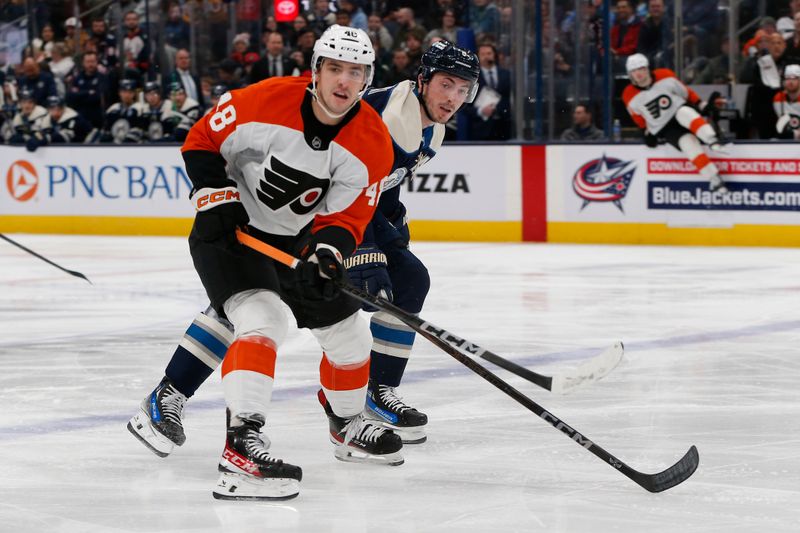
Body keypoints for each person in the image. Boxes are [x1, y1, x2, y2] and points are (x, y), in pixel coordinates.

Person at [125, 38, 479, 459]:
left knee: (368, 312)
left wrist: (361, 238)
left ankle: (367, 403)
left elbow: (366, 195)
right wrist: (217, 194)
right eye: (447, 85)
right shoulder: (368, 115)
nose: (454, 98)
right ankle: (182, 400)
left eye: (464, 90)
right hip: (264, 221)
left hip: (314, 225)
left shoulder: (420, 131)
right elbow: (207, 137)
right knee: (249, 309)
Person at [127, 25, 398, 501]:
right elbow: (200, 139)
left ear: (367, 79)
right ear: (316, 70)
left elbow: (346, 215)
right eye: (334, 68)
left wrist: (327, 254)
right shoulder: (262, 100)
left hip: (292, 243)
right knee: (261, 318)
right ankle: (241, 449)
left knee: (350, 333)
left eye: (355, 72)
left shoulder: (371, 141)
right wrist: (217, 198)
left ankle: (347, 424)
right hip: (229, 231)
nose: (343, 81)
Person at [622, 53, 730, 193]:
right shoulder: (628, 94)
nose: (638, 74)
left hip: (678, 109)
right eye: (634, 71)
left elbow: (685, 92)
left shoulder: (665, 75)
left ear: (647, 68)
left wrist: (700, 103)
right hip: (664, 127)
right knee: (688, 145)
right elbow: (637, 116)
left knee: (685, 113)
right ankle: (714, 179)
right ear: (629, 74)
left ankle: (712, 140)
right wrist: (645, 130)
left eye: (641, 69)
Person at [25, 95, 92, 151]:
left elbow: (66, 137)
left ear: (63, 108)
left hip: (86, 148)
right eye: (52, 108)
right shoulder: (45, 119)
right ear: (48, 109)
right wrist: (35, 137)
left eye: (58, 108)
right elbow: (38, 131)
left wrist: (46, 138)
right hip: (66, 151)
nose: (55, 110)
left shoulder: (73, 118)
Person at [774, 64, 800, 139]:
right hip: (786, 140)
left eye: (794, 78)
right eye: (787, 78)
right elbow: (781, 125)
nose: (790, 82)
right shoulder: (778, 98)